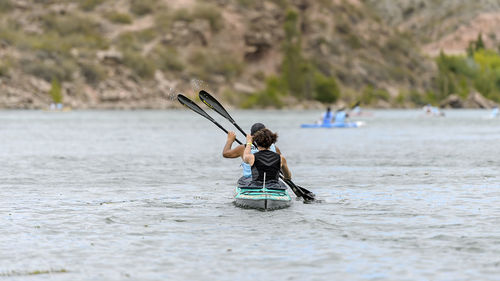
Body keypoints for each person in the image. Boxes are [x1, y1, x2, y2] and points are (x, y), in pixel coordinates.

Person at [222, 123, 291, 187]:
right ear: (271, 139)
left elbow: (226, 154)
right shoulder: (277, 152)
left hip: (251, 181)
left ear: (253, 137)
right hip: (273, 183)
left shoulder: (245, 150)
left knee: (241, 181)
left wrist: (230, 140)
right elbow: (286, 175)